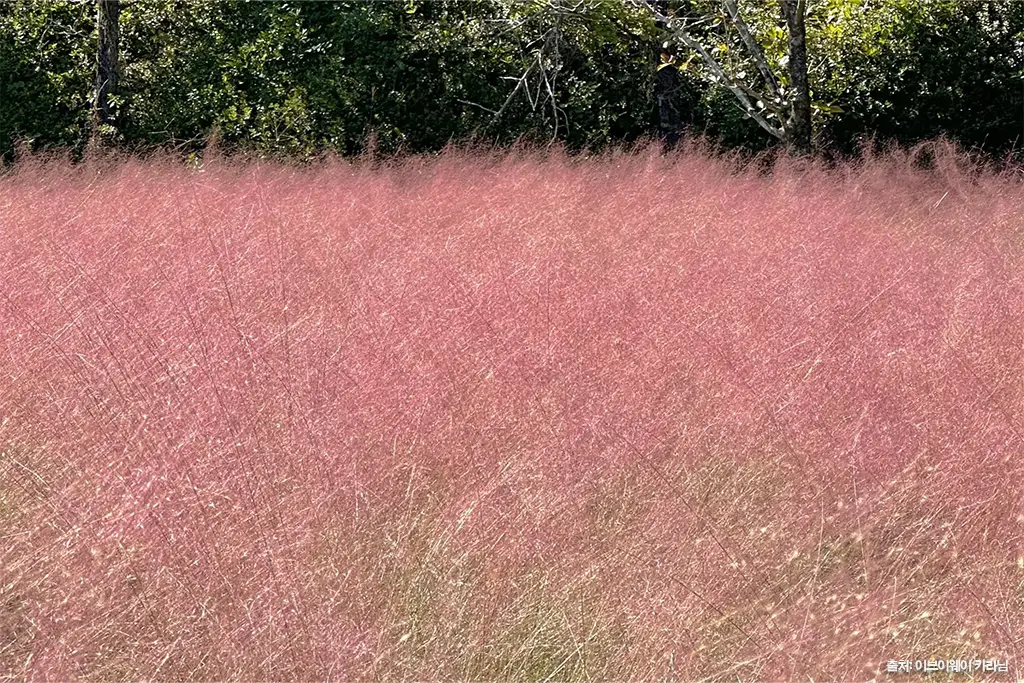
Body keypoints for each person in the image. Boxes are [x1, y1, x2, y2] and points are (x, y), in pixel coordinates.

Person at [655, 47, 687, 151]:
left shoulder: (670, 68)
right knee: (667, 122)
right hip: (666, 98)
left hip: (671, 97)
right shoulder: (661, 68)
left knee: (673, 120)